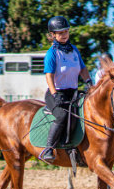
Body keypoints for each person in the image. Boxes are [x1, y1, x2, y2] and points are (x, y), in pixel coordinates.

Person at [39, 16, 93, 163]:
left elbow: (82, 68)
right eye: (60, 33)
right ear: (53, 35)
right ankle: (48, 148)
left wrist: (88, 81)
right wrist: (55, 94)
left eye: (66, 32)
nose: (64, 35)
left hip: (73, 92)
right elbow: (49, 76)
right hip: (56, 93)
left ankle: (78, 148)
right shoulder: (52, 53)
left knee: (85, 114)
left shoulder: (74, 50)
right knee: (62, 116)